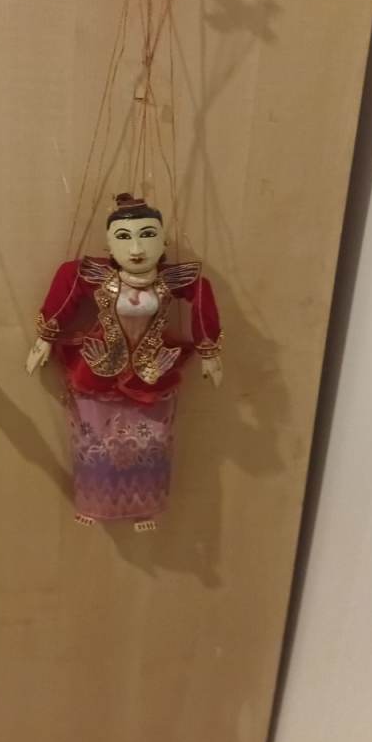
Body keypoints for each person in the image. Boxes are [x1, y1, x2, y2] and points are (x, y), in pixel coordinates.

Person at [26, 194, 222, 530]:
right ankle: (94, 500)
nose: (136, 249)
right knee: (94, 438)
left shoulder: (172, 280)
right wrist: (45, 337)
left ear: (163, 242)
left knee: (153, 439)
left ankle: (145, 506)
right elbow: (68, 280)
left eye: (147, 235)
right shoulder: (99, 276)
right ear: (109, 245)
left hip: (152, 368)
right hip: (101, 365)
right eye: (123, 237)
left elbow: (200, 290)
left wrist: (210, 350)